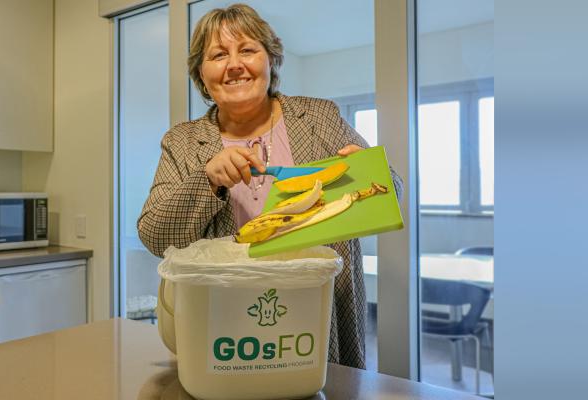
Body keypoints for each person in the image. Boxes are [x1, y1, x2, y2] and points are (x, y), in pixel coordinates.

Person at [136, 3, 403, 369]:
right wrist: (207, 179)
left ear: (270, 59)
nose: (234, 65)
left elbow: (393, 193)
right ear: (201, 72)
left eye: (247, 50)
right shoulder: (182, 142)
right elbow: (154, 236)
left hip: (318, 312)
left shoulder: (319, 117)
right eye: (217, 55)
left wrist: (370, 175)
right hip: (226, 321)